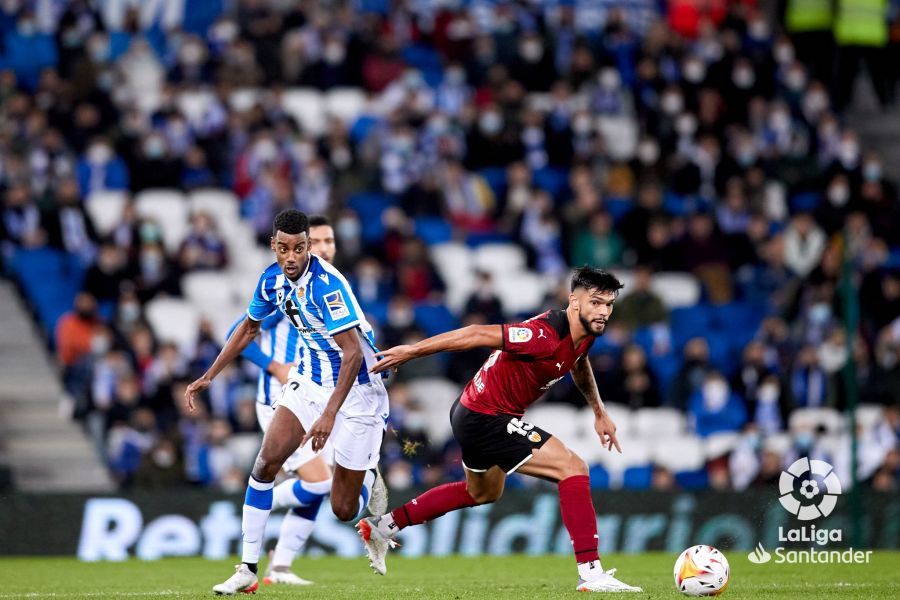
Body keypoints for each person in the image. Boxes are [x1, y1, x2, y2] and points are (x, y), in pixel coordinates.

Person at [359, 267, 642, 593]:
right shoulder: (543, 335)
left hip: (473, 411)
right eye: (596, 303)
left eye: (609, 304)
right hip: (485, 416)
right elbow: (475, 333)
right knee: (573, 467)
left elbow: (578, 362)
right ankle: (592, 574)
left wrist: (599, 411)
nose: (604, 312)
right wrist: (410, 351)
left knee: (482, 492)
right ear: (574, 302)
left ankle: (384, 526)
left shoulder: (585, 333)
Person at [185, 209, 388, 595]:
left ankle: (371, 479)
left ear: (308, 246)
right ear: (273, 247)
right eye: (283, 248)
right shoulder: (271, 280)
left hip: (357, 390)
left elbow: (353, 354)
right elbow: (247, 328)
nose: (290, 257)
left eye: (298, 248)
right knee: (265, 463)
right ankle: (247, 568)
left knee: (343, 508)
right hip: (309, 379)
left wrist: (329, 415)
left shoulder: (327, 286)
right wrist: (209, 375)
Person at [223, 215, 338, 586]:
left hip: (318, 397)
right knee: (321, 484)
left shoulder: (331, 288)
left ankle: (281, 566)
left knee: (321, 485)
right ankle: (251, 507)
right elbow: (236, 332)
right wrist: (274, 366)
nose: (323, 248)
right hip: (280, 399)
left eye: (327, 241)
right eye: (316, 242)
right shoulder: (284, 288)